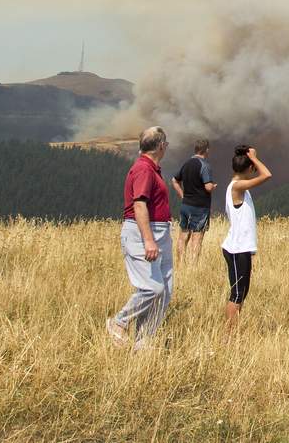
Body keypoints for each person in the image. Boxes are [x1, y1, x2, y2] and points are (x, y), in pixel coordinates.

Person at [106, 126, 175, 349]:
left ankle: (143, 342)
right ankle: (119, 322)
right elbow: (139, 204)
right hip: (144, 234)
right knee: (151, 288)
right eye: (166, 144)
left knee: (164, 292)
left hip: (158, 233)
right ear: (161, 146)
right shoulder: (144, 170)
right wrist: (148, 239)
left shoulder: (151, 168)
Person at [220, 145, 272, 332]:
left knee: (242, 292)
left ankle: (232, 330)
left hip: (242, 248)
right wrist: (255, 158)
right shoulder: (237, 186)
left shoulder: (239, 187)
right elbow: (266, 175)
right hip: (236, 248)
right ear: (249, 168)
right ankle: (229, 334)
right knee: (237, 293)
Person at [170, 138, 216, 266]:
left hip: (186, 205)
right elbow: (207, 187)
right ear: (206, 150)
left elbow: (174, 180)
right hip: (200, 207)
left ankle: (179, 264)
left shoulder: (187, 163)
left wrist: (183, 196)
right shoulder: (204, 166)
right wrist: (212, 186)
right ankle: (193, 267)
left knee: (183, 236)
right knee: (197, 237)